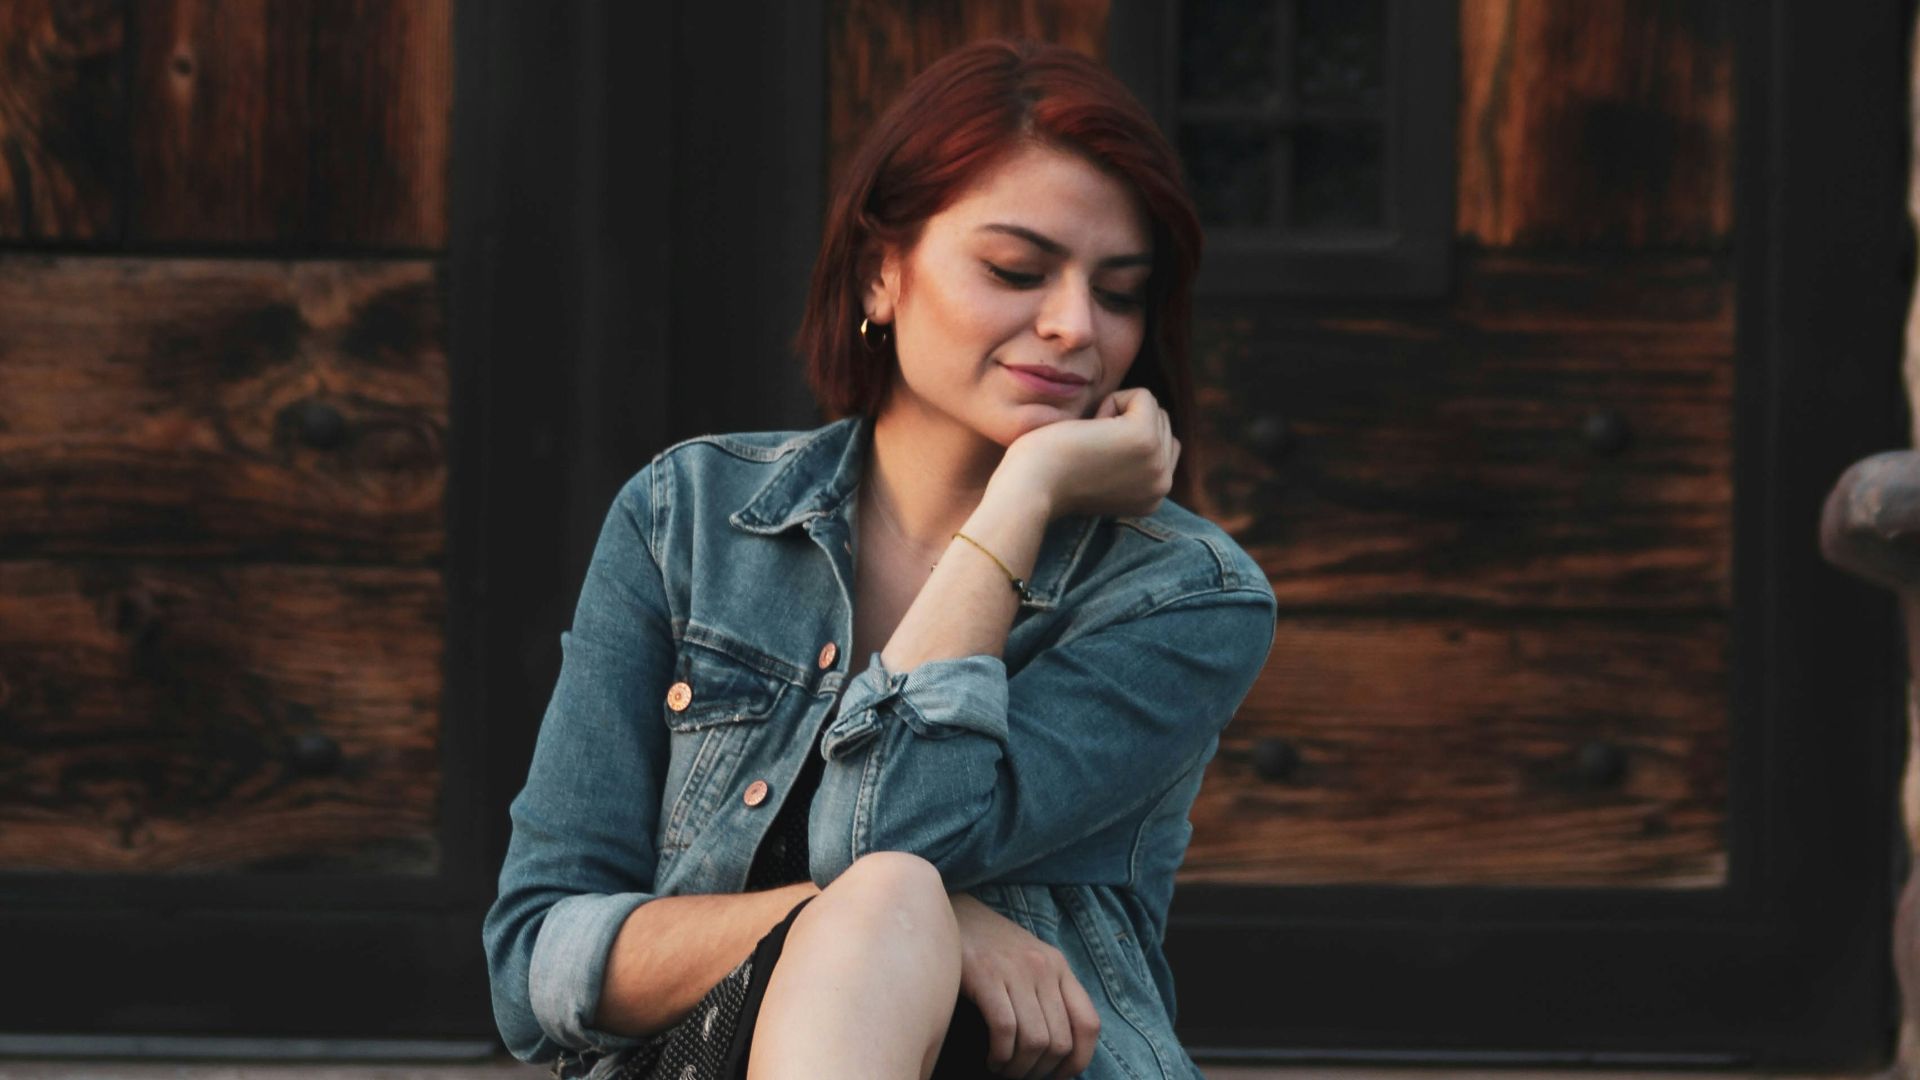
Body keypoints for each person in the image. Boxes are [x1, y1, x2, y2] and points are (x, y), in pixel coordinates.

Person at [483, 36, 1278, 1080]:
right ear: (880, 272)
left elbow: (888, 825)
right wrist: (869, 920)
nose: (1074, 326)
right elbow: (535, 960)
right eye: (1015, 270)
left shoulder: (1185, 597)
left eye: (1120, 292)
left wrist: (1026, 495)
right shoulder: (686, 518)